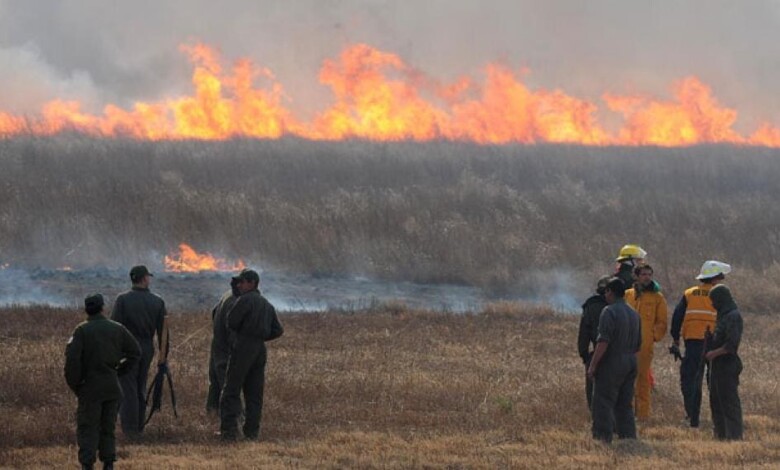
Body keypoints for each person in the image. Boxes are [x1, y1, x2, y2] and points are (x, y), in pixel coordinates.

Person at [65, 294, 141, 470]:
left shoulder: (81, 330)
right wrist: (119, 371)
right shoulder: (117, 328)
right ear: (102, 308)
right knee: (108, 428)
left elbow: (72, 364)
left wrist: (77, 386)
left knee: (88, 428)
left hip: (90, 388)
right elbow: (135, 353)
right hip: (112, 387)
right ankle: (108, 463)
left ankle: (87, 464)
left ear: (86, 309)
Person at [220, 268, 284, 441]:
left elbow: (231, 321)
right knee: (254, 393)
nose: (239, 285)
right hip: (260, 349)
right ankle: (251, 434)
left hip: (243, 347)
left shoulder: (244, 301)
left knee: (231, 390)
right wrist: (261, 337)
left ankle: (229, 432)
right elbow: (278, 330)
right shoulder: (267, 304)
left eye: (242, 282)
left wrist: (245, 336)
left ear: (252, 283)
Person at [670, 260, 730, 427]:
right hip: (715, 343)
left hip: (693, 343)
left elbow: (677, 317)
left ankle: (692, 417)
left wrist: (675, 338)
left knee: (690, 380)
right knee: (715, 380)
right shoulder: (720, 294)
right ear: (715, 278)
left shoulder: (689, 293)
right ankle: (719, 419)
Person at [111, 265, 169, 437]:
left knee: (127, 389)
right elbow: (164, 333)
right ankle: (138, 427)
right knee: (140, 387)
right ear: (144, 279)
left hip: (127, 349)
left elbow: (115, 328)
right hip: (146, 348)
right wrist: (163, 357)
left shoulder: (122, 300)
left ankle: (130, 430)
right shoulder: (157, 301)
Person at [587, 277, 642, 443]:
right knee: (625, 404)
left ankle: (602, 438)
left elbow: (603, 341)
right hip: (631, 361)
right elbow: (639, 344)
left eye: (606, 292)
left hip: (613, 361)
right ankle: (628, 438)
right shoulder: (634, 314)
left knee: (603, 401)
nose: (605, 295)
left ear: (610, 292)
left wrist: (593, 365)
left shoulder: (609, 311)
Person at [625, 264, 667, 420]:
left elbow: (662, 322)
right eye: (643, 274)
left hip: (644, 347)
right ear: (637, 276)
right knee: (626, 380)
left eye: (649, 274)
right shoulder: (627, 295)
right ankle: (626, 413)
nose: (647, 277)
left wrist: (651, 337)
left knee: (643, 380)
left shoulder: (657, 297)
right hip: (626, 346)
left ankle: (642, 415)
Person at [705, 284, 743, 440]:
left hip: (727, 364)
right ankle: (720, 435)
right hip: (717, 365)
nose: (712, 303)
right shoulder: (722, 315)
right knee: (716, 401)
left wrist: (714, 353)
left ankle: (734, 436)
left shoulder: (733, 316)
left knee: (729, 402)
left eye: (714, 300)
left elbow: (731, 345)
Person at [206, 277, 240, 413]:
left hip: (217, 344)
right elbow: (232, 329)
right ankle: (233, 414)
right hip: (225, 349)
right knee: (226, 383)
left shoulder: (227, 295)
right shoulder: (234, 302)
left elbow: (214, 312)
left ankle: (212, 410)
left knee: (214, 382)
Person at [578, 276, 610, 411]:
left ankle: (596, 416)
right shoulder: (620, 306)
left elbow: (583, 334)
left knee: (593, 389)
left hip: (596, 353)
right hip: (618, 353)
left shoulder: (590, 306)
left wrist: (585, 355)